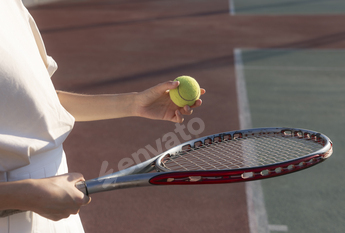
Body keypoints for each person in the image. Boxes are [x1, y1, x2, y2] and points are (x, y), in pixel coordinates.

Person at [0, 1, 205, 232]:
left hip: (56, 201)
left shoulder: (9, 5)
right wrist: (22, 195)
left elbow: (41, 102)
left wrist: (135, 103)